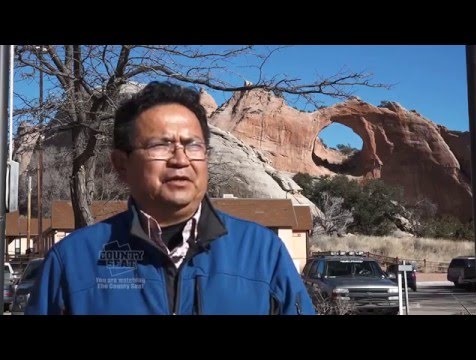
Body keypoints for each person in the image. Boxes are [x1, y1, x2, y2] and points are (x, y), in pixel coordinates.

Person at [26, 81, 316, 315]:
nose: (180, 159)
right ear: (120, 164)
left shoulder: (263, 253)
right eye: (160, 145)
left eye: (193, 146)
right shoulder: (72, 261)